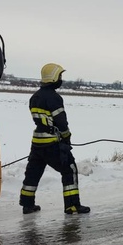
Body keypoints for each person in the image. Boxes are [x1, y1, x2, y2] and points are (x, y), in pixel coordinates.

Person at [19, 63, 91, 215]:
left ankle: (27, 204)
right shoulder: (54, 98)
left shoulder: (34, 97)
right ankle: (72, 206)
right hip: (52, 143)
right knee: (69, 169)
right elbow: (61, 122)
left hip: (37, 142)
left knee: (33, 173)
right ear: (53, 78)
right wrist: (66, 137)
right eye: (60, 76)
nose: (61, 79)